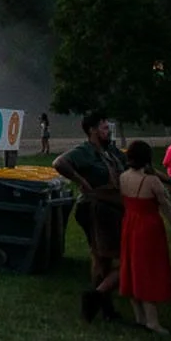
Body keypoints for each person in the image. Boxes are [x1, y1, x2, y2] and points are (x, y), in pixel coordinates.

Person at [55, 113, 128, 323]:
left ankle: (101, 301)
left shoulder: (111, 150)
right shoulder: (85, 151)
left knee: (106, 258)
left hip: (113, 206)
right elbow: (60, 163)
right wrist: (80, 180)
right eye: (104, 128)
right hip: (95, 206)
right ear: (92, 130)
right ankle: (100, 301)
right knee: (101, 256)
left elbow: (134, 163)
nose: (108, 131)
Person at [118, 139, 171, 334]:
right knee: (148, 270)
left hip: (129, 224)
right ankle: (152, 321)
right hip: (148, 228)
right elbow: (168, 209)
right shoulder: (151, 181)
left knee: (132, 268)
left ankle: (140, 317)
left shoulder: (123, 177)